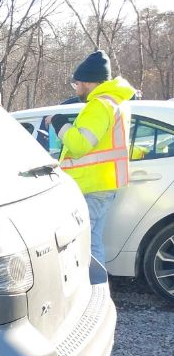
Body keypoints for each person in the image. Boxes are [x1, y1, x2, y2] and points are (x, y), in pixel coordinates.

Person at [47, 50, 135, 263]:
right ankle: (97, 286)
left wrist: (59, 123)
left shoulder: (99, 106)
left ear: (87, 82)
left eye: (76, 84)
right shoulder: (117, 103)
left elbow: (79, 145)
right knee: (92, 240)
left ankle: (95, 288)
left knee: (86, 244)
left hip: (92, 187)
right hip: (102, 184)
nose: (76, 89)